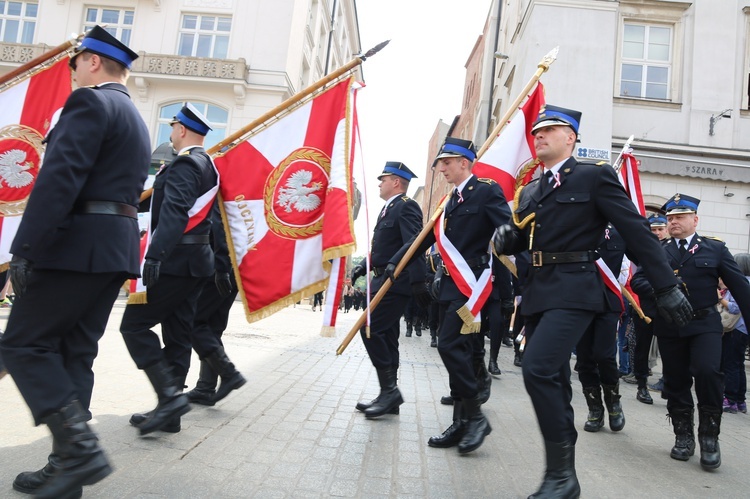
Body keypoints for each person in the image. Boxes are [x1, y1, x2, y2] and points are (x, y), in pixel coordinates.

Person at [492, 105, 692, 498]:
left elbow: (635, 230)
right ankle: (562, 473)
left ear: (571, 138)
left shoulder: (594, 176)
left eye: (550, 130)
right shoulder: (531, 188)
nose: (540, 136)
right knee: (551, 376)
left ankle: (561, 475)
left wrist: (666, 286)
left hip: (576, 289)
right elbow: (528, 237)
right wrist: (508, 237)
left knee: (537, 368)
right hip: (539, 293)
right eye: (536, 131)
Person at [0, 26, 150, 498]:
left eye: (74, 66)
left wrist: (23, 250)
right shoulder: (133, 114)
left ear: (89, 62)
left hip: (74, 248)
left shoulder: (89, 103)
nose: (71, 76)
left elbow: (59, 181)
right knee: (75, 353)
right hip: (111, 251)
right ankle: (65, 470)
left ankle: (79, 451)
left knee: (24, 345)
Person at [120, 103, 244, 436]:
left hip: (176, 261)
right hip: (195, 262)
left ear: (182, 130)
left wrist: (156, 256)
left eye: (173, 126)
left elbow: (175, 213)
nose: (171, 132)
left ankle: (169, 397)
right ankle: (169, 413)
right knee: (177, 335)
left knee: (134, 326)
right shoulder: (207, 165)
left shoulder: (186, 163)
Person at [390, 138, 512, 454]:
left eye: (446, 162)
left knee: (449, 344)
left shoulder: (486, 190)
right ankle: (462, 423)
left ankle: (475, 417)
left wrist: (511, 237)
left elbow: (507, 231)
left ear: (464, 162)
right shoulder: (449, 202)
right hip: (449, 286)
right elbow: (423, 237)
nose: (441, 168)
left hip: (473, 285)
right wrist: (395, 261)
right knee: (467, 349)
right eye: (441, 163)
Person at [632, 194, 750, 470]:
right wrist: (665, 292)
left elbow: (740, 288)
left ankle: (709, 436)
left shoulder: (715, 249)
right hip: (671, 326)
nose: (673, 222)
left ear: (694, 220)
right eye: (670, 218)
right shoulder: (657, 250)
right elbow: (638, 280)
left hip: (705, 324)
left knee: (708, 372)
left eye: (679, 217)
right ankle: (683, 434)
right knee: (675, 380)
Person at [351, 162, 428, 419]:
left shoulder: (406, 205)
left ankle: (389, 391)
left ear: (396, 181)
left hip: (395, 281)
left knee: (369, 329)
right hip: (380, 279)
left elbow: (413, 241)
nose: (379, 183)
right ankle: (389, 396)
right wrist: (363, 266)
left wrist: (409, 274)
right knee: (387, 336)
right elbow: (382, 247)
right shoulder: (389, 209)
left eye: (383, 179)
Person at [181, 203, 243, 406]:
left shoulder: (217, 181)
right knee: (211, 328)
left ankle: (228, 373)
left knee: (191, 322)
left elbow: (218, 223)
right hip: (234, 266)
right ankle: (205, 388)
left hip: (217, 267)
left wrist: (221, 266)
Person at [576, 224, 627, 434]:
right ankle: (594, 408)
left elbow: (628, 269)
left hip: (608, 301)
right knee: (585, 358)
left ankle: (613, 402)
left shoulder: (620, 231)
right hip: (580, 300)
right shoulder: (577, 226)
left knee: (604, 355)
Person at [632, 214, 669, 405]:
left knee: (670, 348)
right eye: (653, 230)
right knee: (642, 348)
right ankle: (641, 385)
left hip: (669, 310)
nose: (657, 233)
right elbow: (638, 280)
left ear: (667, 229)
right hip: (646, 308)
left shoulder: (674, 250)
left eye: (660, 229)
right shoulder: (645, 251)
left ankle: (669, 383)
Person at [719, 255, 749, 414]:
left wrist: (720, 299)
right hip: (744, 330)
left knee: (731, 364)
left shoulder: (740, 283)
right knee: (738, 365)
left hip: (735, 328)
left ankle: (730, 399)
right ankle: (740, 400)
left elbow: (735, 307)